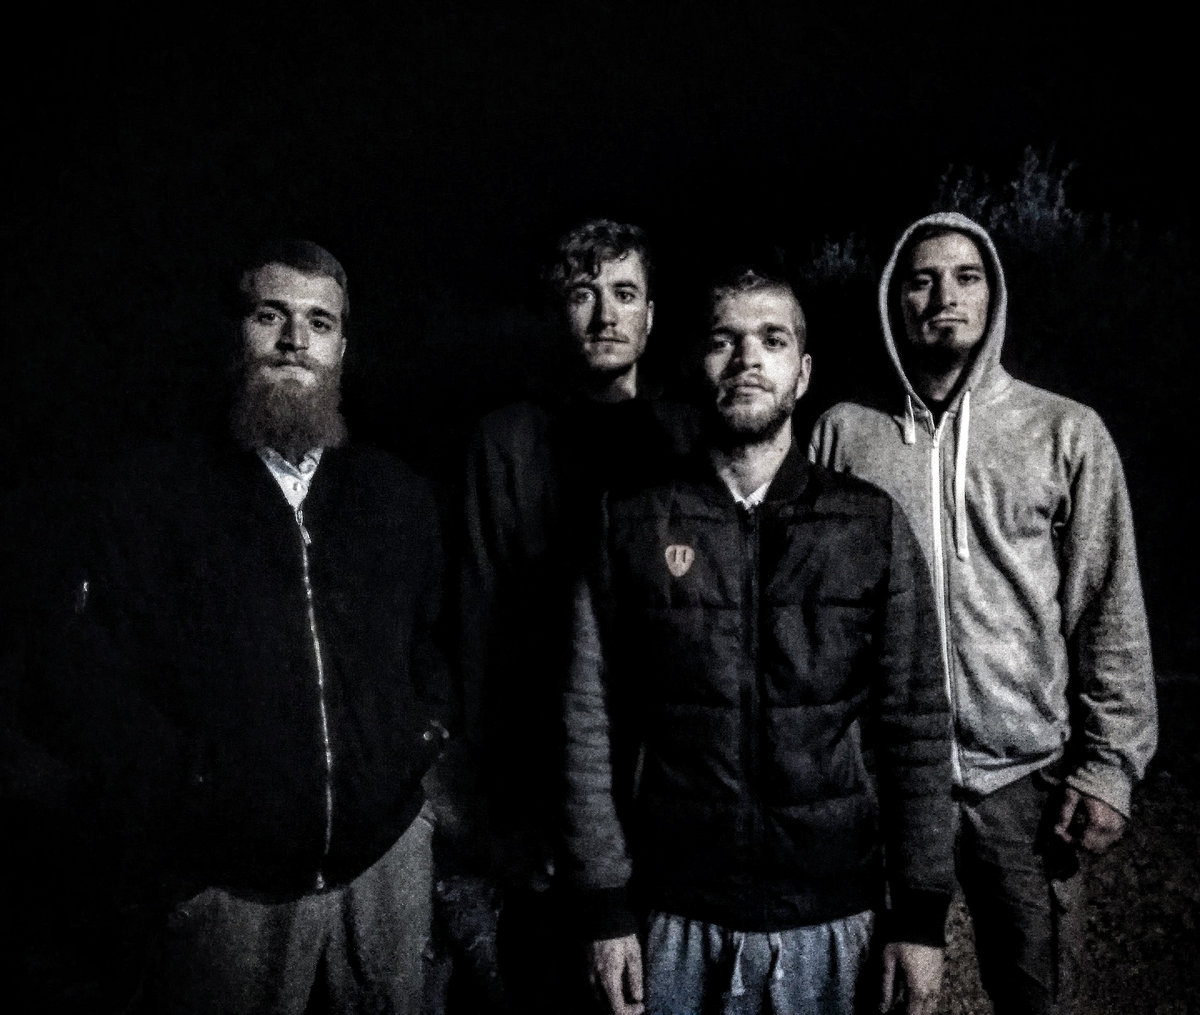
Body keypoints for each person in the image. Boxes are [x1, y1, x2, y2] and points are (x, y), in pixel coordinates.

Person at [39, 239, 450, 1014]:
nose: (296, 340)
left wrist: (417, 744)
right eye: (271, 315)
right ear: (236, 331)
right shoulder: (152, 496)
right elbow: (82, 678)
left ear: (342, 347)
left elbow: (434, 646)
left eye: (319, 322)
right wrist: (188, 798)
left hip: (385, 868)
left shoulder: (394, 497)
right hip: (227, 890)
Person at [563, 268, 954, 1015]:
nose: (747, 358)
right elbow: (587, 718)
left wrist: (920, 915)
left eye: (772, 340)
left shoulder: (869, 525)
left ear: (802, 373)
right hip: (674, 911)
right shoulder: (630, 521)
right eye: (725, 340)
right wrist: (604, 905)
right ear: (697, 364)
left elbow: (916, 726)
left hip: (833, 911)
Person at [810, 211, 1158, 1014]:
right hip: (885, 781)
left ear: (993, 295)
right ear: (894, 300)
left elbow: (1108, 604)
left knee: (1036, 997)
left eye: (966, 277)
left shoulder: (1064, 431)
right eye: (922, 280)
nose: (945, 296)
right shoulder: (844, 434)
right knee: (880, 995)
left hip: (1024, 779)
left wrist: (1109, 765)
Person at [446, 218, 696, 1012]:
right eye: (584, 294)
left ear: (651, 315)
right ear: (558, 310)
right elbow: (479, 629)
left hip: (672, 786)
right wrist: (504, 813)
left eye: (624, 293)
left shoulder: (686, 437)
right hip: (546, 780)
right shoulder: (507, 441)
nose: (605, 314)